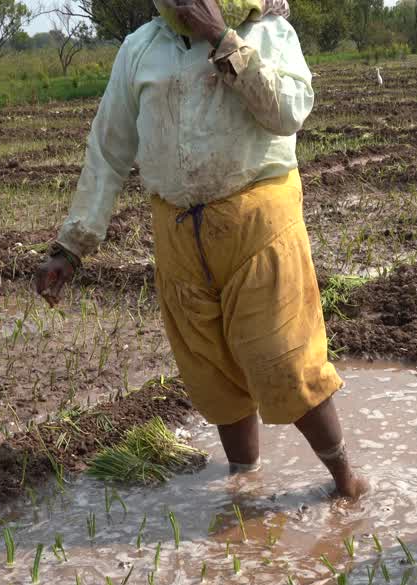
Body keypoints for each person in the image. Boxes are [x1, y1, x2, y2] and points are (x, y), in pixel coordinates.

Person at [33, 0, 368, 498]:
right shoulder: (141, 48)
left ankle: (344, 479)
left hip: (257, 224)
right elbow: (108, 148)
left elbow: (289, 112)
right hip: (178, 237)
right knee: (212, 375)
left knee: (285, 360)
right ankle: (244, 485)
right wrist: (71, 246)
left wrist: (222, 40)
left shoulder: (268, 31)